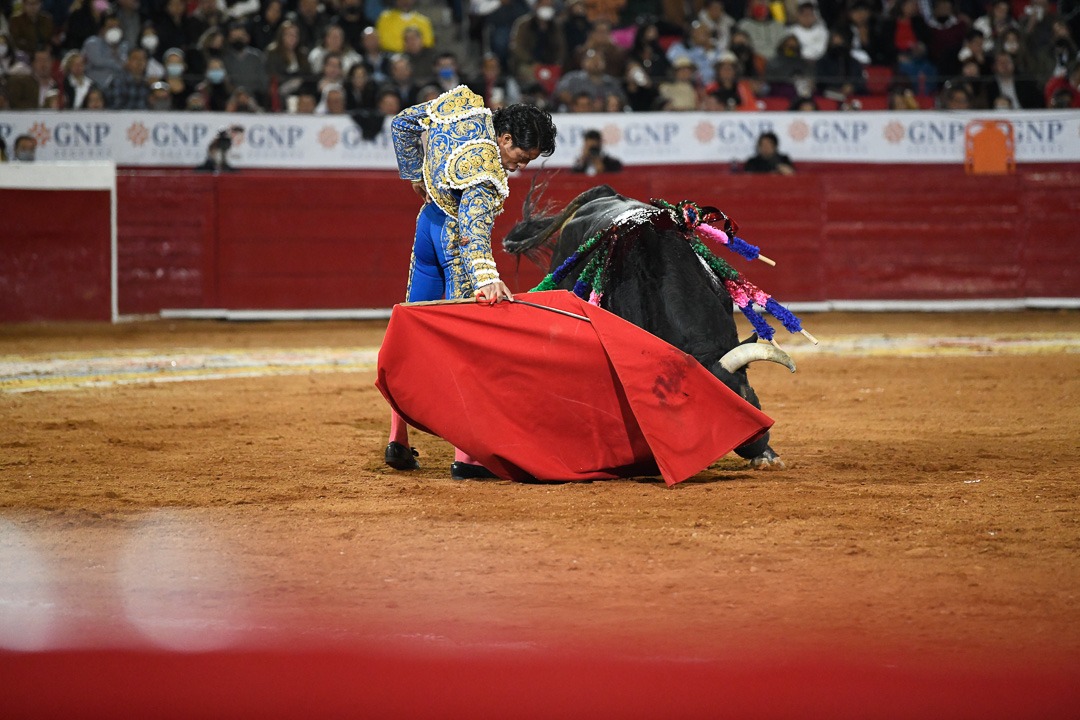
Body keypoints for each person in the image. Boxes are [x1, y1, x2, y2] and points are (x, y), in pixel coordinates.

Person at [386, 86, 556, 480]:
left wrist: (415, 175)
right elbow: (471, 231)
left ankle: (398, 439)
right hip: (452, 244)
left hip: (427, 226)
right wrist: (488, 278)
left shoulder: (462, 107)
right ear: (505, 139)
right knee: (463, 347)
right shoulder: (486, 172)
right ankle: (467, 457)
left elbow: (403, 123)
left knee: (413, 332)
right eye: (520, 157)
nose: (519, 167)